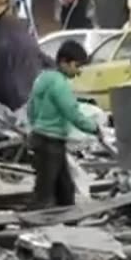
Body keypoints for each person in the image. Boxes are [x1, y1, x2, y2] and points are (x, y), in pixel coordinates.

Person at [27, 40, 98, 209]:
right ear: (64, 62)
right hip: (51, 142)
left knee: (65, 188)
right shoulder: (60, 85)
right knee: (45, 192)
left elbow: (31, 108)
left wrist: (36, 125)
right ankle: (35, 225)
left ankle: (68, 222)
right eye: (77, 66)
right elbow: (72, 113)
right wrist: (94, 128)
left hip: (40, 138)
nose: (78, 71)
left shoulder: (43, 78)